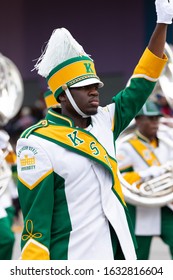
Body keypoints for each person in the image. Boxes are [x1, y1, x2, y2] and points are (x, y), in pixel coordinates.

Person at [16, 0, 173, 260]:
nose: (95, 91)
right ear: (62, 96)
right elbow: (35, 228)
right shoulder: (36, 143)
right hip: (73, 259)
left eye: (96, 85)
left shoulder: (105, 121)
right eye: (85, 87)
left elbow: (142, 82)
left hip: (118, 255)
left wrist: (162, 24)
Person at [117, 99, 173, 259]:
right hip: (142, 210)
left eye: (157, 118)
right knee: (138, 257)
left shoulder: (168, 142)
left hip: (167, 206)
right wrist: (146, 174)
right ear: (139, 120)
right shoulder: (126, 147)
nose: (156, 123)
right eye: (151, 119)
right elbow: (122, 179)